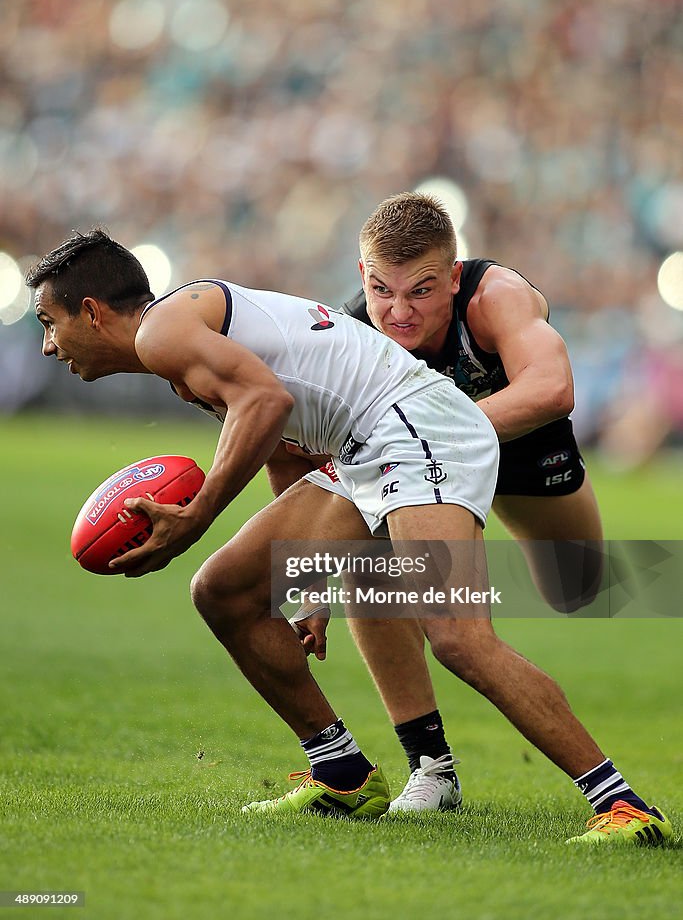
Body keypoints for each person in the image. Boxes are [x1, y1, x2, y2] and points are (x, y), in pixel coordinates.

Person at [26, 229, 671, 844]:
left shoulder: (166, 332)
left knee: (459, 639)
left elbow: (265, 402)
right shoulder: (179, 340)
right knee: (223, 590)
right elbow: (283, 445)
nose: (50, 347)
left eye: (50, 324)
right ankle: (342, 772)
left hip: (418, 431)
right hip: (368, 447)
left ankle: (620, 803)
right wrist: (307, 582)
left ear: (92, 311)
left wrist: (196, 516)